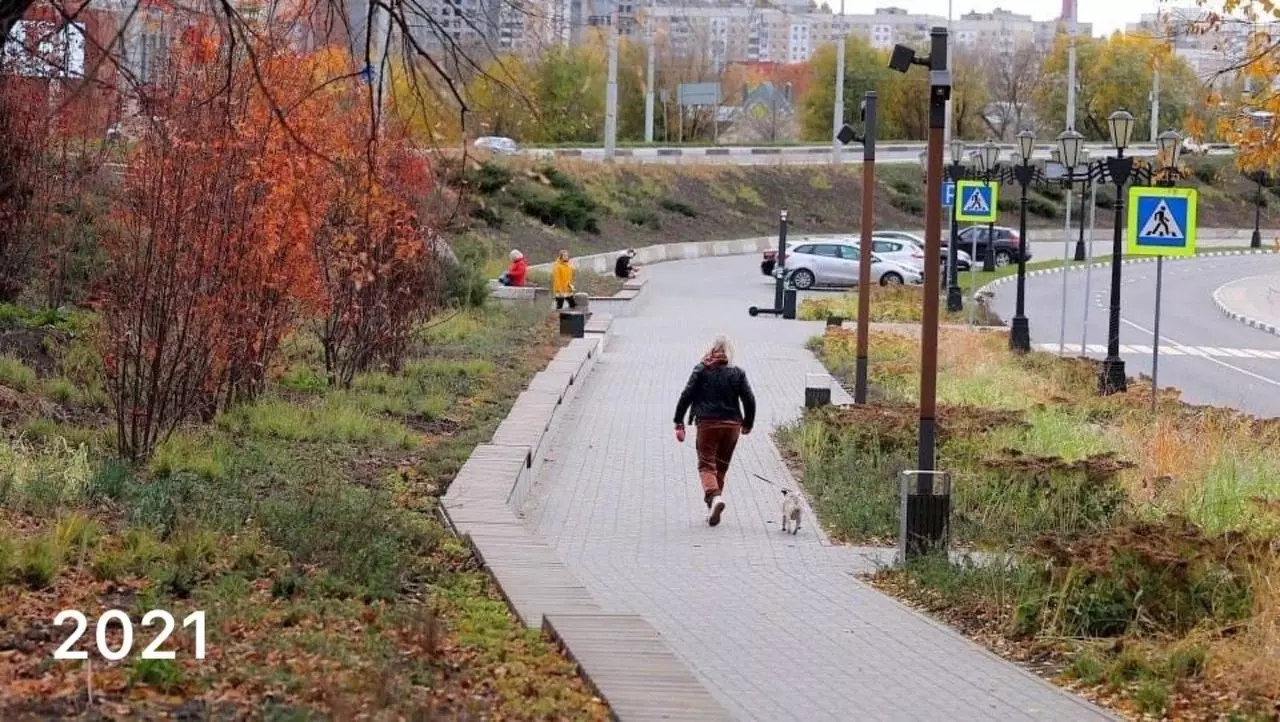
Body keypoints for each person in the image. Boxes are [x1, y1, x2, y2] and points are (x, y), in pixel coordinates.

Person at [672, 334, 756, 527]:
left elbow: (686, 395)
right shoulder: (737, 372)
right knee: (721, 466)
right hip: (732, 426)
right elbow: (749, 399)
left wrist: (679, 421)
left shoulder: (701, 369)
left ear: (711, 350)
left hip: (708, 424)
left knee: (706, 465)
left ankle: (715, 498)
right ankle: (713, 504)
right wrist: (748, 423)